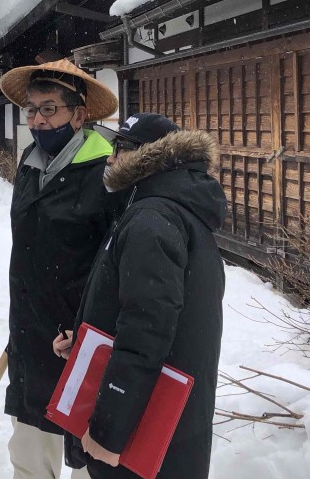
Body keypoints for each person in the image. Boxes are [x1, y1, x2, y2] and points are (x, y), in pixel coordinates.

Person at [54, 113, 226, 479]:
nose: (110, 158)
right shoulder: (166, 211)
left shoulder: (153, 218)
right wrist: (90, 340)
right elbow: (154, 315)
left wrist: (109, 431)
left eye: (119, 149)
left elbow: (147, 329)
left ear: (148, 158)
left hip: (142, 436)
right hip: (164, 424)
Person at [0, 57, 122, 479]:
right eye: (31, 110)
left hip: (81, 342)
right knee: (31, 455)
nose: (37, 120)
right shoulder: (30, 166)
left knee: (85, 458)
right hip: (30, 335)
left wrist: (96, 331)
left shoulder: (107, 175)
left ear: (80, 115)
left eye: (49, 109)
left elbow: (117, 268)